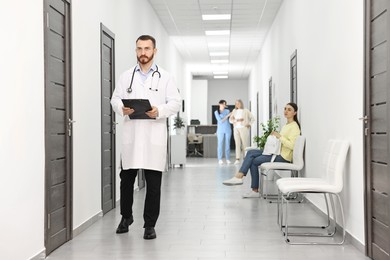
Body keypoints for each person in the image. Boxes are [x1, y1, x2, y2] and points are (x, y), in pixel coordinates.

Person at [111, 35, 181, 239]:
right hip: (132, 135)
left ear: (154, 51)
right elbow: (115, 98)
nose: (143, 52)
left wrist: (158, 110)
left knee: (153, 185)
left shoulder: (165, 77)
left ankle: (150, 225)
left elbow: (175, 102)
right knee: (125, 181)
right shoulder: (126, 77)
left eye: (147, 49)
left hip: (153, 135)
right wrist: (120, 108)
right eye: (139, 48)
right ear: (136, 51)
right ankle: (126, 217)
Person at [223, 103, 301, 198]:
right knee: (251, 152)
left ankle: (246, 183)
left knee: (254, 161)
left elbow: (292, 145)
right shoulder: (286, 125)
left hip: (283, 157)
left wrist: (279, 136)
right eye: (285, 109)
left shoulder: (294, 126)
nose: (286, 111)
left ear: (295, 113)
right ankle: (241, 178)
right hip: (276, 152)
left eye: (289, 109)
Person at [229, 99, 255, 165]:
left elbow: (253, 118)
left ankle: (245, 158)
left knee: (244, 144)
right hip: (236, 129)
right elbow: (230, 120)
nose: (237, 105)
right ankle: (237, 159)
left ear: (241, 103)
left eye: (238, 103)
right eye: (236, 104)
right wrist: (235, 120)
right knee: (237, 144)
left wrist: (249, 124)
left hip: (243, 128)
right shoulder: (234, 111)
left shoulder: (246, 110)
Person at [214, 100, 232, 164]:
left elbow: (230, 119)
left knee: (227, 144)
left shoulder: (227, 111)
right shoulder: (216, 112)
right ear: (219, 104)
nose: (224, 105)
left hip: (228, 129)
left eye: (225, 104)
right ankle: (220, 159)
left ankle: (227, 159)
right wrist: (227, 116)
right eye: (223, 104)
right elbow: (220, 121)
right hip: (220, 130)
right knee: (220, 144)